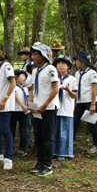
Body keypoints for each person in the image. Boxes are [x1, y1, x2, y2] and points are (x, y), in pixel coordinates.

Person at [28, 44, 59, 177]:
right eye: (33, 54)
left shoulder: (51, 69)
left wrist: (45, 105)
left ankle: (48, 165)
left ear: (44, 55)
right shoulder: (35, 71)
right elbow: (34, 89)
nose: (33, 57)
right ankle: (39, 162)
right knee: (38, 136)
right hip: (38, 108)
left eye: (36, 54)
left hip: (49, 108)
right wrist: (32, 103)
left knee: (47, 137)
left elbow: (55, 89)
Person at [73, 51, 97, 155]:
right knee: (75, 122)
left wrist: (93, 104)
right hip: (80, 102)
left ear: (84, 62)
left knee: (92, 124)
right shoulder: (77, 73)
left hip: (90, 101)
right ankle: (70, 143)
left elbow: (94, 90)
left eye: (78, 60)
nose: (76, 62)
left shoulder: (92, 73)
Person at [53, 55, 77, 161]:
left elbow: (75, 95)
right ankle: (54, 151)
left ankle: (65, 153)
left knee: (65, 132)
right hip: (55, 108)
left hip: (66, 108)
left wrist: (68, 90)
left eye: (63, 64)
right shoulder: (54, 78)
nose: (60, 66)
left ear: (68, 66)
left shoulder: (72, 79)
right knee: (55, 131)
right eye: (58, 64)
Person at [11, 70, 30, 156]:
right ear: (16, 77)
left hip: (24, 112)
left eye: (25, 77)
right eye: (22, 76)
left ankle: (23, 148)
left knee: (23, 130)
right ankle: (10, 147)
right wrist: (22, 106)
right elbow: (16, 96)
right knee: (12, 130)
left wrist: (28, 106)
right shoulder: (14, 87)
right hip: (14, 110)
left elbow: (28, 98)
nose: (24, 78)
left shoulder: (25, 89)